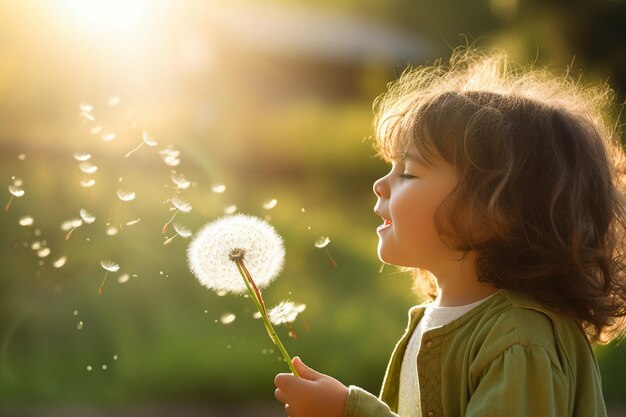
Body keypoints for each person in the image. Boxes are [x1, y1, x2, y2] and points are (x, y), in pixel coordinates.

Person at [273, 49, 626, 417]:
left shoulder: (518, 343)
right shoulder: (439, 321)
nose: (380, 184)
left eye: (408, 172)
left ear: (490, 211)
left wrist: (351, 413)